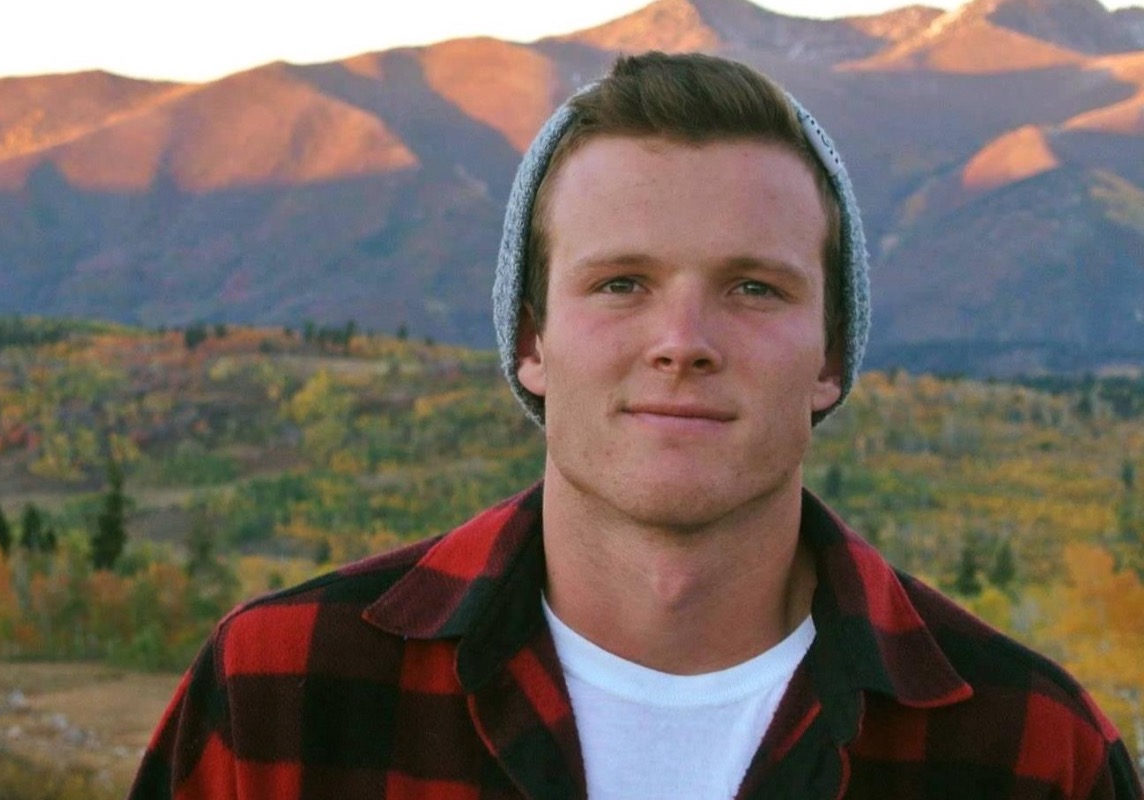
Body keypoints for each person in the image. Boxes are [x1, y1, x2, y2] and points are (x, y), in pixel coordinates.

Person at [129, 52, 1142, 799]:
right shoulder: (284, 691)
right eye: (621, 283)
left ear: (832, 356)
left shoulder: (1029, 747)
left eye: (754, 287)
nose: (682, 341)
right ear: (531, 340)